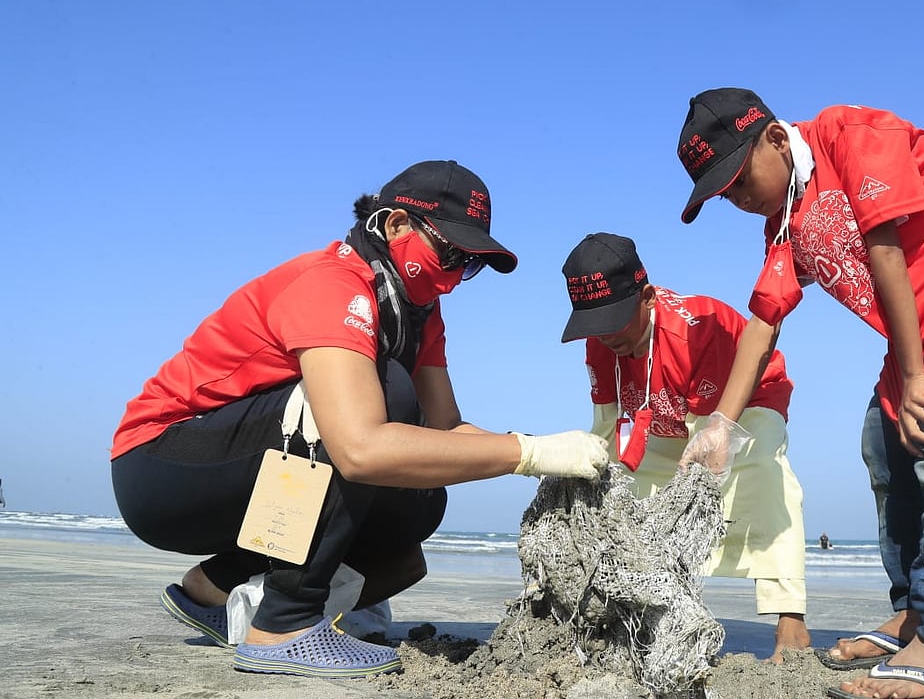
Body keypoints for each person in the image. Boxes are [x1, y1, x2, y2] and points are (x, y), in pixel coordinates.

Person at [111, 160, 608, 679]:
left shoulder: (419, 310)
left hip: (240, 466)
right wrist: (526, 456)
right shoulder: (333, 283)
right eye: (449, 253)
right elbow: (360, 447)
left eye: (470, 263)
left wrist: (544, 448)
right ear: (395, 226)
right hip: (162, 462)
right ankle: (285, 623)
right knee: (385, 393)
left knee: (418, 511)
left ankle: (214, 589)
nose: (454, 278)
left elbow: (444, 431)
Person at [674, 89, 924, 699]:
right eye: (724, 194)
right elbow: (764, 321)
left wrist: (913, 378)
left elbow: (883, 246)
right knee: (883, 445)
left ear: (775, 138)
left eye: (739, 178)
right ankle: (914, 614)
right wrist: (720, 423)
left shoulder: (848, 134)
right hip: (920, 320)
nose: (738, 200)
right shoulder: (784, 225)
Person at [559, 232, 811, 664]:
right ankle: (649, 607)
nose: (605, 335)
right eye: (594, 325)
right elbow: (605, 428)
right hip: (671, 419)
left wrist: (716, 443)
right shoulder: (601, 345)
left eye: (615, 320)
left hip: (747, 400)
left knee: (762, 478)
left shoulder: (695, 329)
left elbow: (710, 435)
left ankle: (790, 620)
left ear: (648, 297)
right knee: (629, 492)